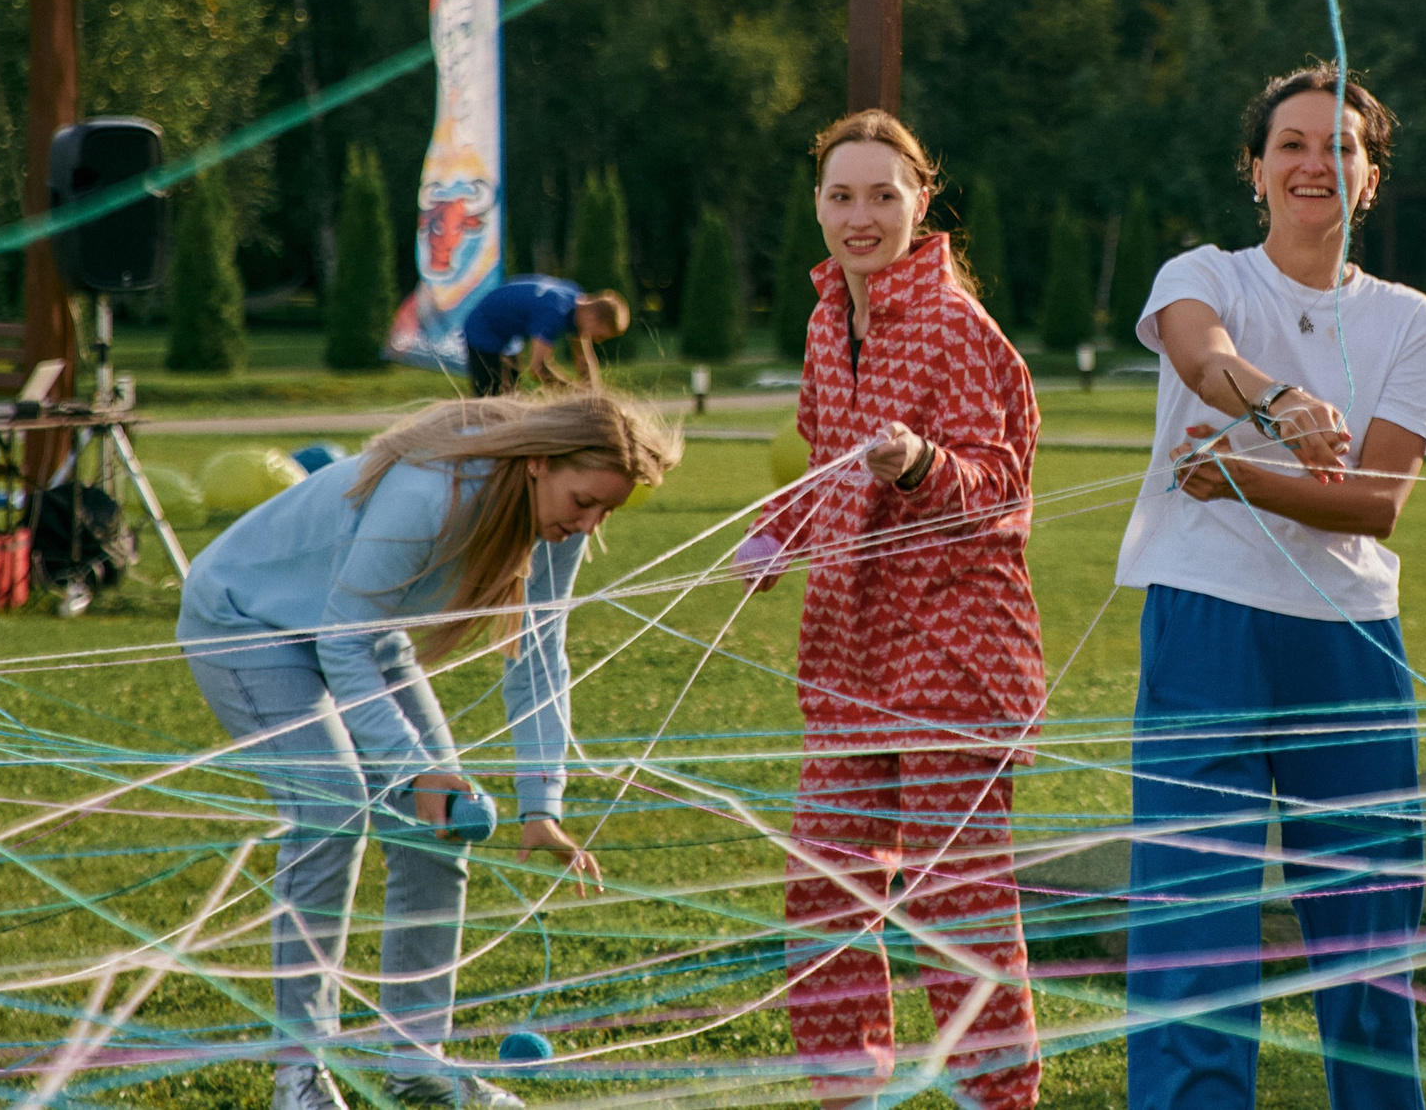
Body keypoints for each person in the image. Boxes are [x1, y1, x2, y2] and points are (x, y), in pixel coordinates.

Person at [179, 386, 676, 1110]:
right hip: (244, 621)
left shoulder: (558, 526)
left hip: (357, 633)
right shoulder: (429, 492)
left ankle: (415, 1063)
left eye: (607, 509)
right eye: (585, 500)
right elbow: (339, 642)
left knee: (438, 831)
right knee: (334, 813)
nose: (590, 522)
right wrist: (419, 771)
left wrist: (541, 804)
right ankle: (301, 1074)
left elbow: (538, 656)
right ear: (539, 462)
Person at [1117, 63, 1426, 1110]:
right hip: (1206, 620)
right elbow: (1201, 356)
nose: (1314, 163)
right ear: (1254, 171)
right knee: (1194, 913)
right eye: (1291, 144)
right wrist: (1277, 405)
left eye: (1337, 147)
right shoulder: (1200, 273)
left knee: (1368, 925)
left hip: (1350, 639)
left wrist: (1242, 479)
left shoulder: (1405, 319)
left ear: (1370, 178)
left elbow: (1377, 503)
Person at [742, 110, 1045, 1109]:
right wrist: (776, 535)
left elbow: (1000, 487)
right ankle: (849, 1095)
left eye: (883, 194)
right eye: (840, 195)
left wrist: (921, 465)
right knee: (825, 896)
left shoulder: (960, 328)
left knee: (954, 907)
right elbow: (821, 452)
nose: (860, 215)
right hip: (848, 649)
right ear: (816, 205)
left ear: (923, 200)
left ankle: (995, 1099)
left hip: (956, 648)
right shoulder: (829, 319)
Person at [459, 275, 630, 396]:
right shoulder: (553, 313)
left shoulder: (577, 298)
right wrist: (575, 393)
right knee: (491, 400)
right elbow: (538, 368)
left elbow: (584, 359)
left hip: (509, 334)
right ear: (592, 318)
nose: (597, 341)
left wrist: (595, 396)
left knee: (511, 397)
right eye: (599, 336)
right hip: (483, 328)